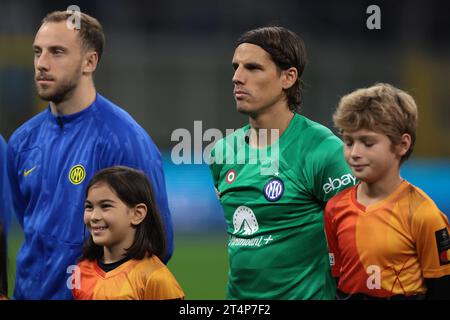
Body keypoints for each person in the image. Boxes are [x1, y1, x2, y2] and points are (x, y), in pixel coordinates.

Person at [7, 11, 173, 300]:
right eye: (38, 52)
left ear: (90, 61)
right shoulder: (22, 141)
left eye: (57, 52)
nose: (42, 63)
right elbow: (29, 224)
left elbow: (157, 243)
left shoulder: (125, 140)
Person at [209, 26, 356, 299]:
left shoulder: (324, 151)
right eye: (236, 67)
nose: (237, 77)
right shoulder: (222, 153)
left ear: (288, 77)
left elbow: (355, 242)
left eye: (253, 68)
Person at [324, 83, 450, 300]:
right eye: (348, 142)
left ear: (402, 144)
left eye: (367, 143)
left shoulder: (424, 214)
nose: (354, 153)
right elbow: (337, 282)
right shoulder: (334, 208)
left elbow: (442, 290)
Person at [72, 166, 184, 300]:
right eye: (89, 207)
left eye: (106, 206)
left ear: (137, 214)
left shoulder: (155, 278)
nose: (94, 216)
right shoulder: (81, 270)